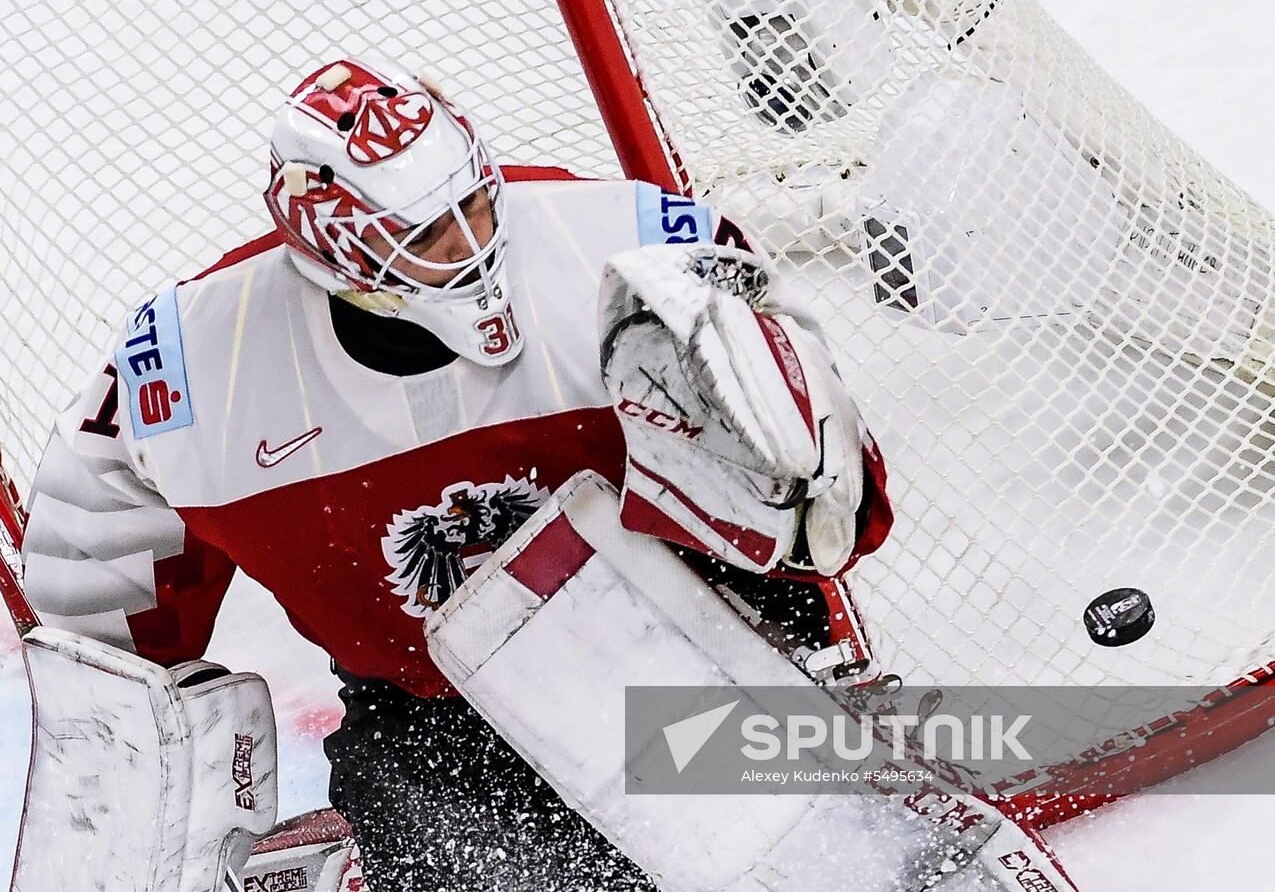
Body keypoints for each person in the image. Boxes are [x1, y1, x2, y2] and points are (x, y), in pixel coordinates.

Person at [18, 56, 891, 890]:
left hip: (702, 650)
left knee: (852, 863)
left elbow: (829, 519)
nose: (472, 242)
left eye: (477, 204)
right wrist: (114, 734)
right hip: (441, 723)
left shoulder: (627, 242)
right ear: (334, 247)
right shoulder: (193, 367)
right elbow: (94, 606)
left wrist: (801, 488)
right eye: (431, 230)